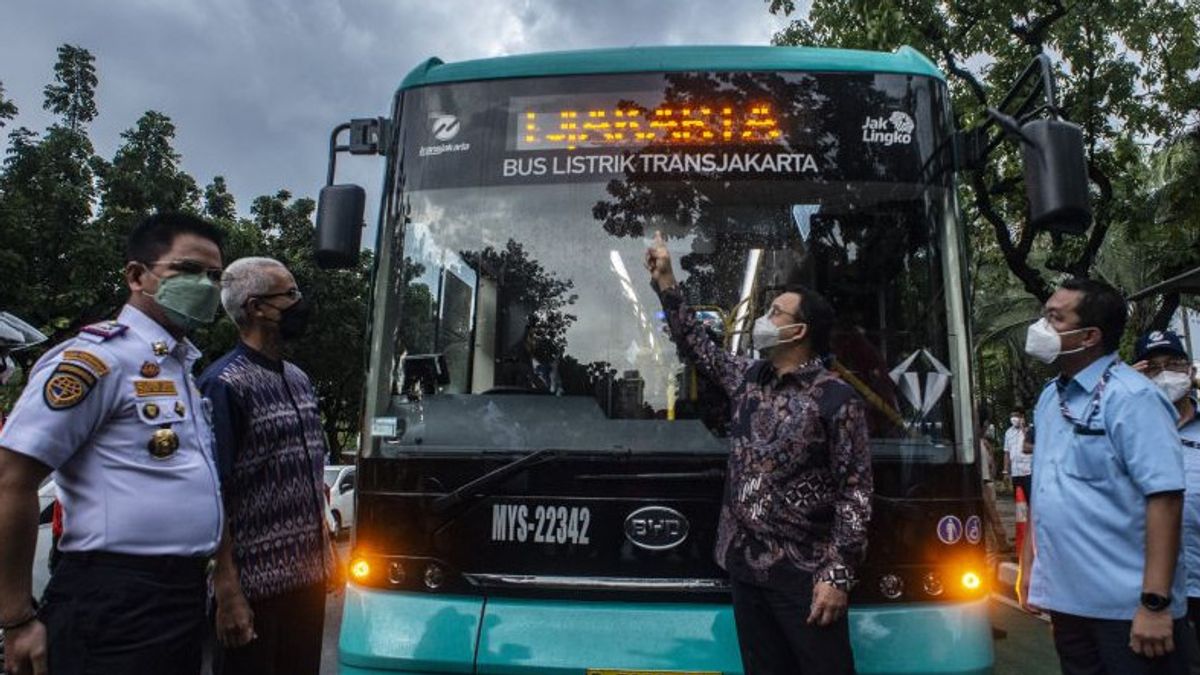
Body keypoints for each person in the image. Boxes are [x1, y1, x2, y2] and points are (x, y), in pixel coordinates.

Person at [0, 212, 226, 675]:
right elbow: (11, 481)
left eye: (214, 276)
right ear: (136, 276)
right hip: (113, 600)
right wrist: (16, 617)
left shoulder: (178, 369)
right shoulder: (96, 360)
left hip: (180, 597)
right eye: (186, 270)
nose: (204, 285)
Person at [645, 232, 872, 675]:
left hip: (805, 577)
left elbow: (856, 492)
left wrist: (838, 574)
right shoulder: (748, 377)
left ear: (798, 330)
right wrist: (667, 281)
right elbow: (697, 345)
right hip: (745, 569)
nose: (762, 319)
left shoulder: (837, 400)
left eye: (774, 313)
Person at [1017, 278, 1189, 674]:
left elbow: (1164, 498)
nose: (1041, 327)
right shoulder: (1049, 397)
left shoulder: (1133, 398)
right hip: (1070, 604)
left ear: (1089, 336)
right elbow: (1046, 489)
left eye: (1054, 318)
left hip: (1128, 609)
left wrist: (1155, 602)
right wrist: (1031, 570)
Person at [197, 257, 336, 675]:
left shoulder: (298, 378)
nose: (300, 303)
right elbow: (212, 493)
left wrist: (327, 553)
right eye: (290, 294)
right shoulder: (223, 384)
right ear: (257, 307)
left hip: (307, 584)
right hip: (252, 590)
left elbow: (309, 477)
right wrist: (227, 590)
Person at [1133, 330, 1200, 651]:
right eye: (1152, 368)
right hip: (1150, 591)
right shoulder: (1124, 431)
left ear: (1189, 369)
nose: (1165, 374)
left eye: (1173, 363)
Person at [1003, 409, 1032, 502]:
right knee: (1019, 500)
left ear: (1022, 417)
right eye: (1011, 416)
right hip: (1015, 472)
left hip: (1028, 471)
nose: (1013, 418)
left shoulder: (1030, 429)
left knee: (1030, 499)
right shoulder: (1008, 432)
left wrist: (1023, 428)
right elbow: (1007, 452)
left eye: (1016, 416)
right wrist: (1006, 471)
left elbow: (1031, 444)